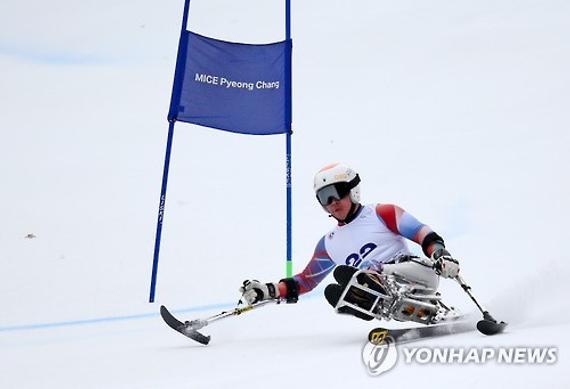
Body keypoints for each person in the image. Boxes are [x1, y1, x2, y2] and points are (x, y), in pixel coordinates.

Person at [239, 162, 460, 321]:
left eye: (336, 193)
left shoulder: (381, 212)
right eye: (325, 198)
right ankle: (368, 301)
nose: (332, 203)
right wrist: (269, 291)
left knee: (357, 275)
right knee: (338, 288)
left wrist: (441, 255)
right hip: (384, 295)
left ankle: (370, 289)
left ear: (352, 191)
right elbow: (306, 281)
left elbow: (424, 234)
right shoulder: (329, 244)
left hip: (418, 274)